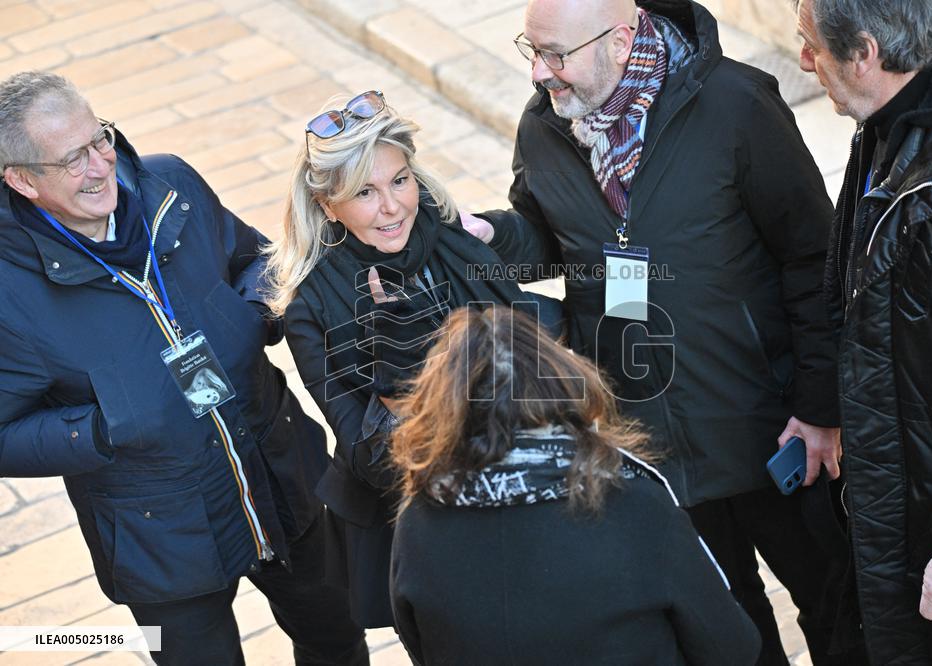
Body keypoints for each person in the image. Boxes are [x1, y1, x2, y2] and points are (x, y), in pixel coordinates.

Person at [460, 0, 842, 662]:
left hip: (769, 431)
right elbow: (551, 235)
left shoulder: (736, 106)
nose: (538, 74)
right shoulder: (546, 127)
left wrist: (818, 408)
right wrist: (495, 236)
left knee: (841, 613)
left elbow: (815, 261)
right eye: (532, 49)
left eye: (557, 54)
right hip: (651, 447)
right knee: (728, 637)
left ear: (623, 37)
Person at [0, 72, 367, 664]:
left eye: (100, 140)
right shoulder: (7, 293)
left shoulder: (171, 182)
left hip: (282, 476)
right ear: (21, 180)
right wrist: (103, 427)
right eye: (72, 160)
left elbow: (252, 259)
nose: (101, 167)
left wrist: (247, 318)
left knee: (338, 639)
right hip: (161, 537)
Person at [264, 92, 539, 628]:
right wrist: (402, 382)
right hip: (436, 532)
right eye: (364, 192)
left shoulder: (455, 243)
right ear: (328, 205)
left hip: (531, 495)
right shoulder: (313, 309)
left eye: (399, 180)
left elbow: (545, 335)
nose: (392, 207)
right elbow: (370, 460)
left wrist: (632, 281)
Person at [793, 0, 932, 662]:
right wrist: (824, 408)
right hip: (904, 505)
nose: (804, 61)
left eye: (811, 45)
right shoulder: (889, 128)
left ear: (866, 55)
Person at [389, 305, 762, 665]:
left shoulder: (417, 521)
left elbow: (421, 646)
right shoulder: (635, 505)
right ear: (562, 380)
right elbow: (732, 648)